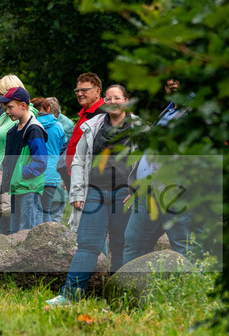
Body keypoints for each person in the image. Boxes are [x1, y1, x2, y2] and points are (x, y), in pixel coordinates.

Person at [47, 84, 140, 306]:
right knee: (87, 245)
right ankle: (69, 295)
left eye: (117, 98)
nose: (112, 102)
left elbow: (150, 161)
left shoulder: (140, 129)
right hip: (95, 193)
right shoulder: (92, 126)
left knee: (120, 246)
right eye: (108, 98)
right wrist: (78, 192)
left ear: (126, 101)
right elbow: (79, 161)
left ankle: (118, 298)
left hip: (124, 194)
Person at [123, 78, 198, 264]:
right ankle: (130, 283)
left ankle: (196, 284)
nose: (172, 83)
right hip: (146, 191)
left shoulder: (196, 110)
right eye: (169, 80)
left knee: (184, 245)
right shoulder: (168, 110)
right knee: (133, 242)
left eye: (178, 78)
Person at [0, 74, 36, 236]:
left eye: (1, 95)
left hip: (11, 176)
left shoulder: (26, 116)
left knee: (10, 226)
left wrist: (20, 172)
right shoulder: (4, 115)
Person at [0, 87, 48, 234]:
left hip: (28, 188)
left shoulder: (34, 130)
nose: (7, 111)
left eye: (10, 107)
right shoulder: (14, 130)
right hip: (17, 187)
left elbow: (41, 162)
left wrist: (21, 173)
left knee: (27, 231)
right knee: (15, 232)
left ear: (23, 105)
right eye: (6, 108)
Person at [59, 73, 107, 190]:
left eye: (84, 90)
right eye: (77, 91)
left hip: (90, 181)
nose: (79, 94)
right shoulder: (85, 113)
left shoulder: (104, 115)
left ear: (97, 91)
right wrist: (68, 174)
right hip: (74, 176)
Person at [31, 97, 66, 223]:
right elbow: (62, 147)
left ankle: (38, 235)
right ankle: (50, 234)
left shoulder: (31, 125)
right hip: (52, 172)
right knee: (46, 211)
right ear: (48, 108)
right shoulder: (58, 126)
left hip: (35, 172)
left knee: (36, 211)